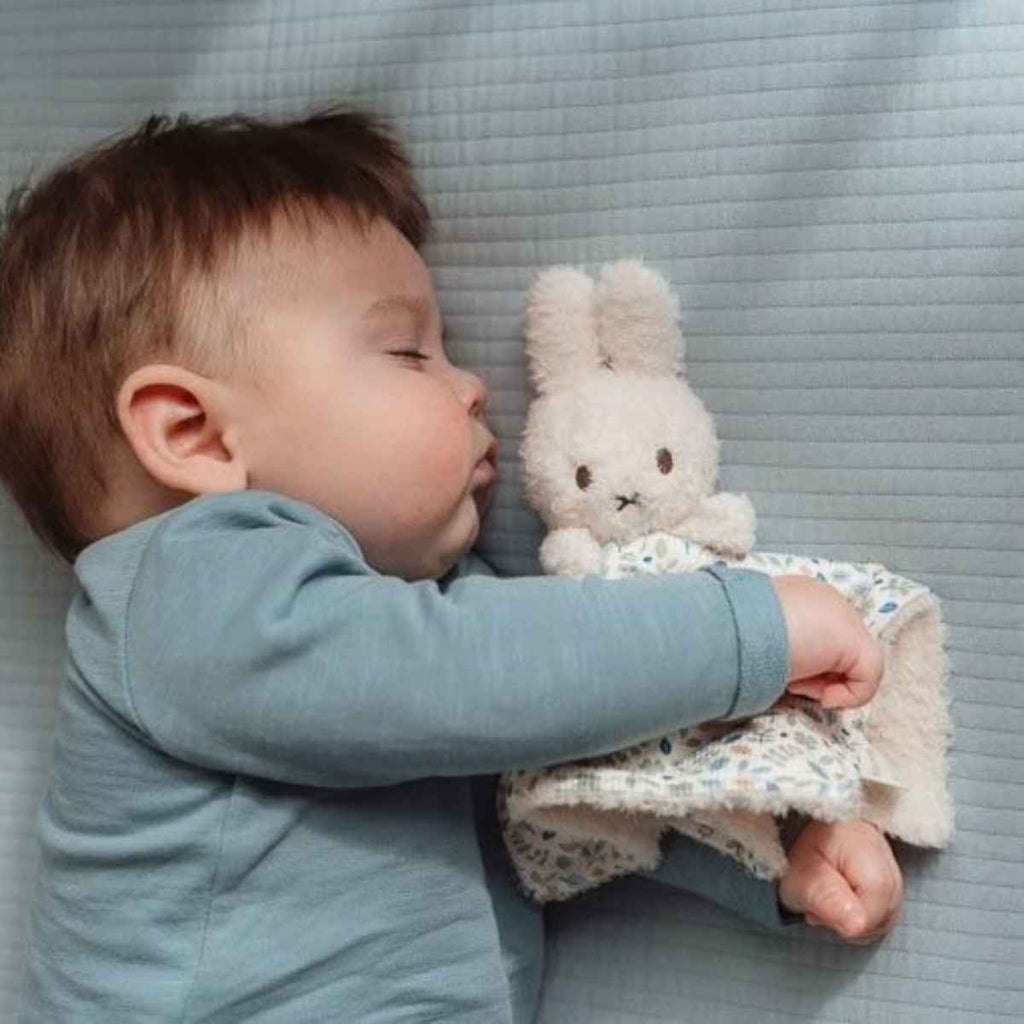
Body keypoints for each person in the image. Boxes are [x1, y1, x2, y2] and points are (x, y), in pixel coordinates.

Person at [0, 107, 902, 1023]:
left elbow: (556, 808)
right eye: (406, 351)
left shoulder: (412, 620)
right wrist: (742, 627)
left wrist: (766, 855)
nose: (470, 385)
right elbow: (468, 676)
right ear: (193, 433)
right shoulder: (182, 592)